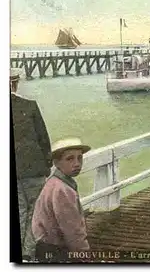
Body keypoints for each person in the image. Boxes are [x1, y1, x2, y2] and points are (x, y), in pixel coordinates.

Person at [10, 68, 52, 261]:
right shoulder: (30, 106)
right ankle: (27, 253)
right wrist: (48, 164)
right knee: (36, 211)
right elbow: (43, 139)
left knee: (19, 211)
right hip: (34, 169)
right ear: (15, 83)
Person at [32, 138, 91, 262]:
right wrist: (84, 257)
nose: (77, 163)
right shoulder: (62, 190)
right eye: (70, 159)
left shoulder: (54, 182)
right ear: (56, 162)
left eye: (80, 158)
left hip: (44, 247)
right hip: (55, 250)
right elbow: (73, 231)